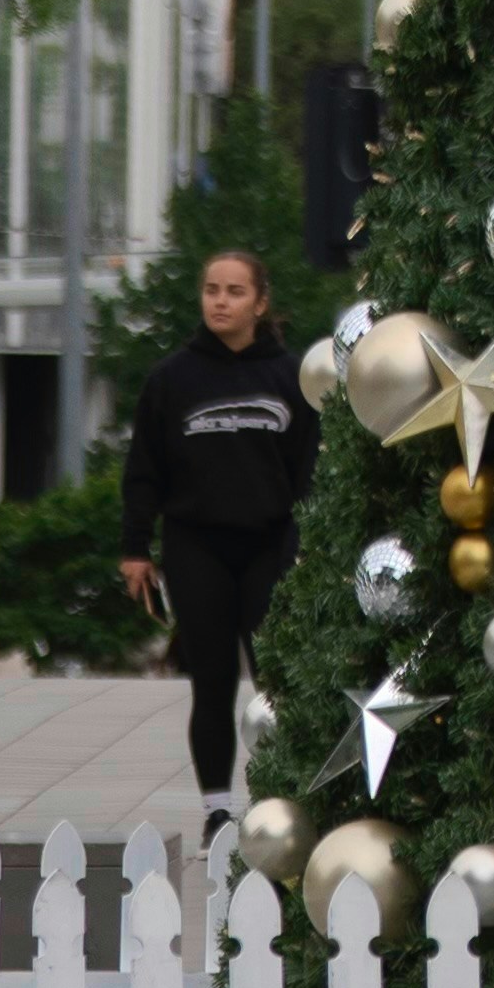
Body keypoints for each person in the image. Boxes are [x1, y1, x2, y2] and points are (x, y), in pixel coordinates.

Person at [117, 244, 309, 810]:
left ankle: (281, 803)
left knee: (277, 686)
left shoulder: (292, 377)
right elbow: (143, 469)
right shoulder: (171, 379)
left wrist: (304, 550)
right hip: (195, 545)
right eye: (211, 290)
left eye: (234, 292)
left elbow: (310, 473)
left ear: (260, 303)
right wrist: (134, 548)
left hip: (271, 547)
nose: (220, 302)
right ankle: (217, 810)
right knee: (213, 684)